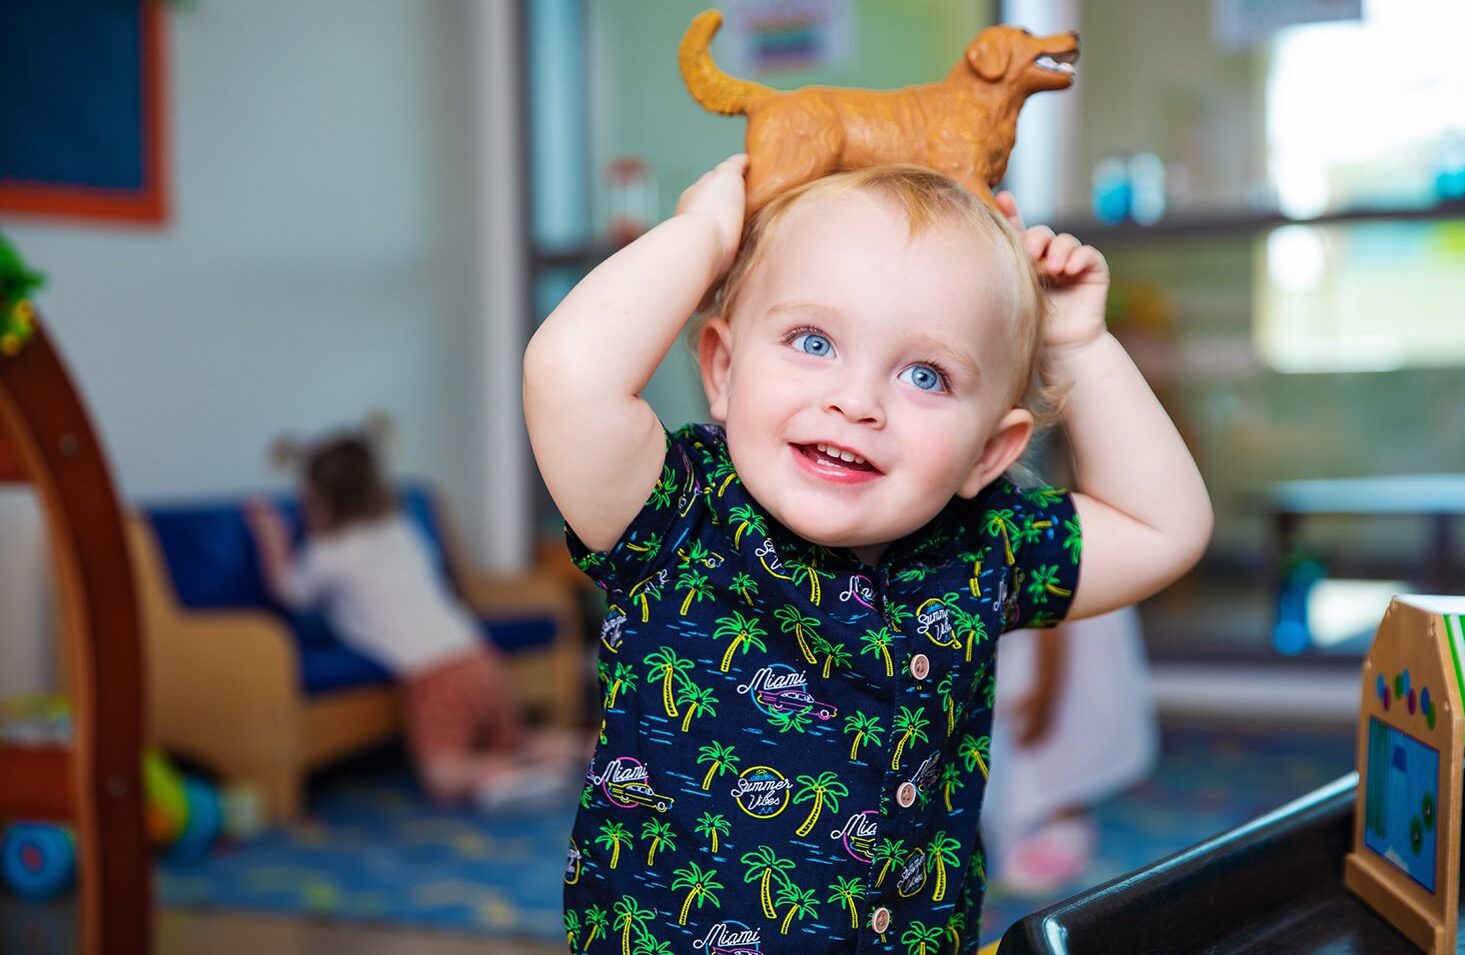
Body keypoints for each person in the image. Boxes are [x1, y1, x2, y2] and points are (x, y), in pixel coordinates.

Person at [525, 156, 1211, 953]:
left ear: (990, 451)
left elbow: (1165, 527)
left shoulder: (982, 547)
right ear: (723, 369)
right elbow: (568, 375)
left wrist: (1079, 345)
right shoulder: (676, 512)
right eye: (812, 340)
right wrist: (704, 237)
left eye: (925, 374)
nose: (856, 401)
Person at [245, 428, 565, 808]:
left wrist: (271, 535)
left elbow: (290, 592)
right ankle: (565, 752)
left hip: (435, 675)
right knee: (512, 737)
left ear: (318, 501)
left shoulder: (331, 551)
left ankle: (505, 773)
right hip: (478, 655)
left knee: (442, 775)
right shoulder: (398, 530)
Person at [985, 608, 1158, 895]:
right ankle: (1043, 816)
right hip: (1040, 639)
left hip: (1057, 649)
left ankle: (1057, 818)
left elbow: (1052, 624)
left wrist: (1044, 696)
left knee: (1058, 736)